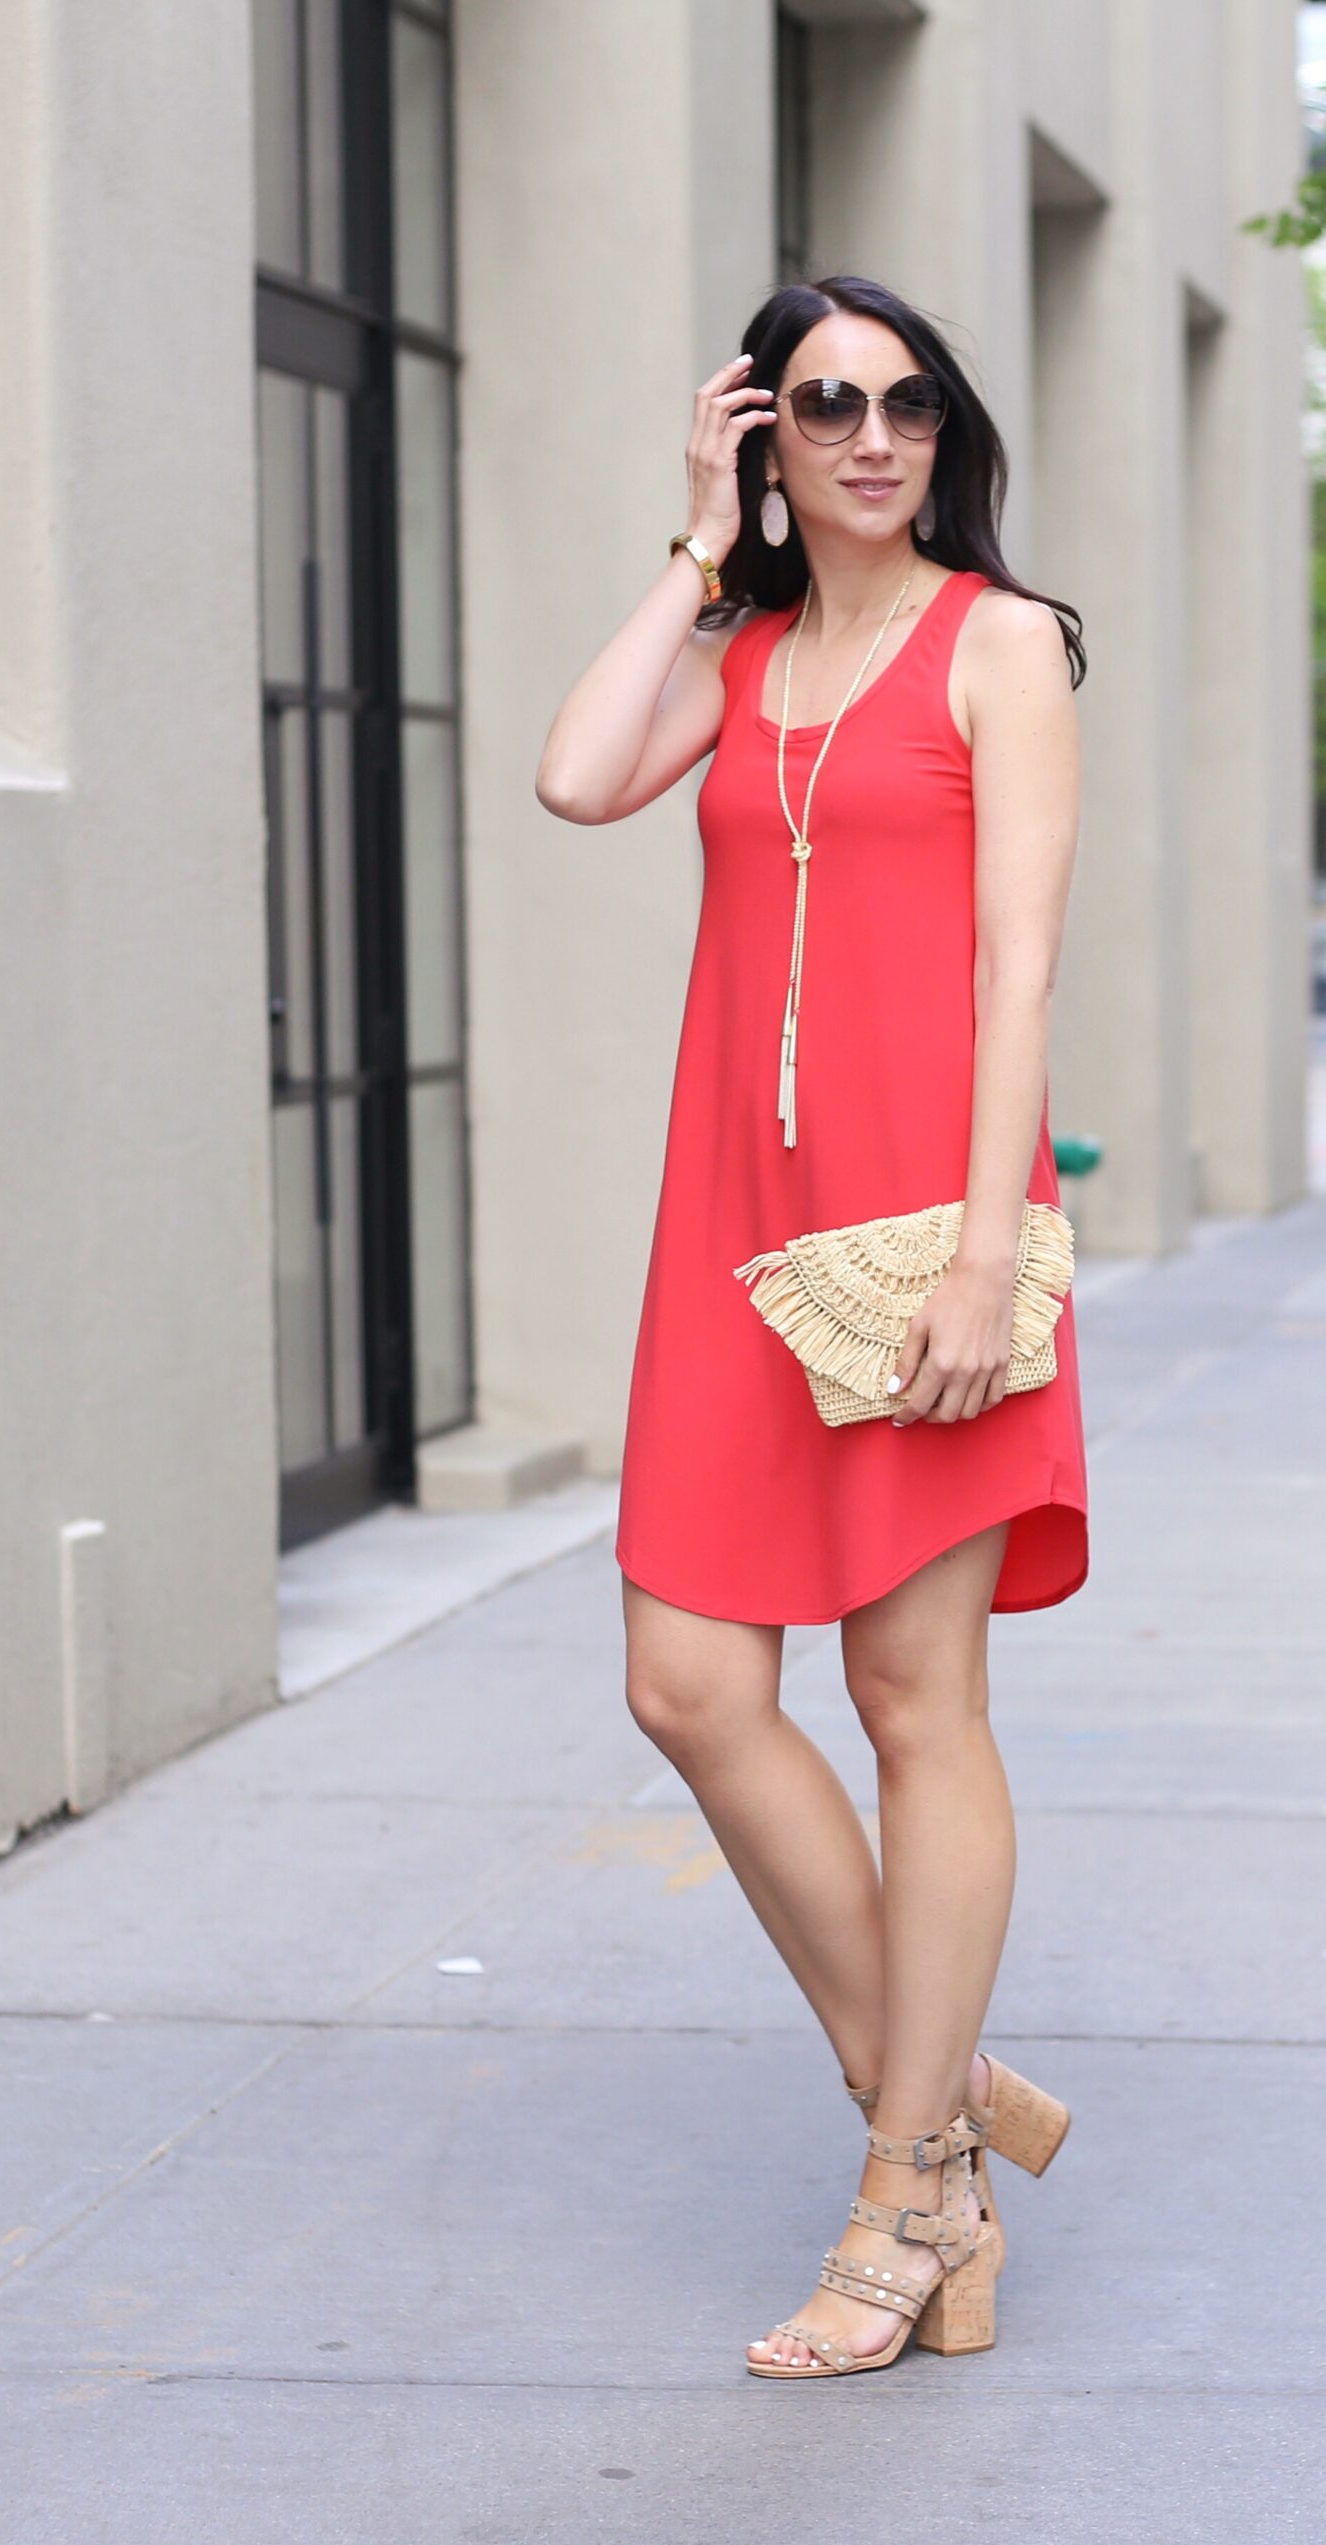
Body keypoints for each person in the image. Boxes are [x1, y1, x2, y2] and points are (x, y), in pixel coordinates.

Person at [534, 275, 1090, 2378]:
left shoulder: (1002, 643)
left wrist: (979, 1244)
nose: (874, 438)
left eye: (910, 405)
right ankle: (942, 2110)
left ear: (947, 434)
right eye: (829, 405)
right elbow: (577, 772)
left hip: (924, 1222)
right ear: (768, 434)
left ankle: (898, 2200)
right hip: (730, 1236)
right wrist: (693, 544)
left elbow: (1016, 964)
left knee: (909, 1685)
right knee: (686, 1679)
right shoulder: (745, 655)